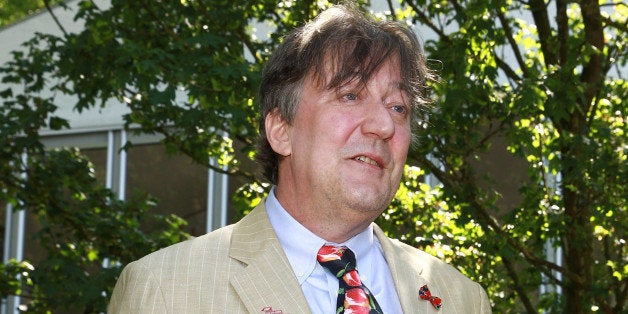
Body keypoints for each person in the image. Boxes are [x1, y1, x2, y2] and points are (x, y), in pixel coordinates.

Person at [108, 3, 491, 313]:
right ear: (281, 130)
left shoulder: (460, 298)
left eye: (398, 107)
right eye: (351, 95)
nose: (382, 126)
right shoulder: (166, 289)